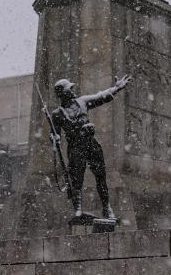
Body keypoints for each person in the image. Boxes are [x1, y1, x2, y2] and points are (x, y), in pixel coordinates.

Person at [49, 75, 130, 223]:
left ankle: (107, 208)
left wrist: (116, 88)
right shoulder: (57, 114)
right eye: (70, 89)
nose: (73, 90)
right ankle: (78, 209)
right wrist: (55, 138)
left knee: (101, 176)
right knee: (76, 179)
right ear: (64, 93)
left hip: (91, 143)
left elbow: (101, 96)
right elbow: (55, 134)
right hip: (75, 147)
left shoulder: (82, 101)